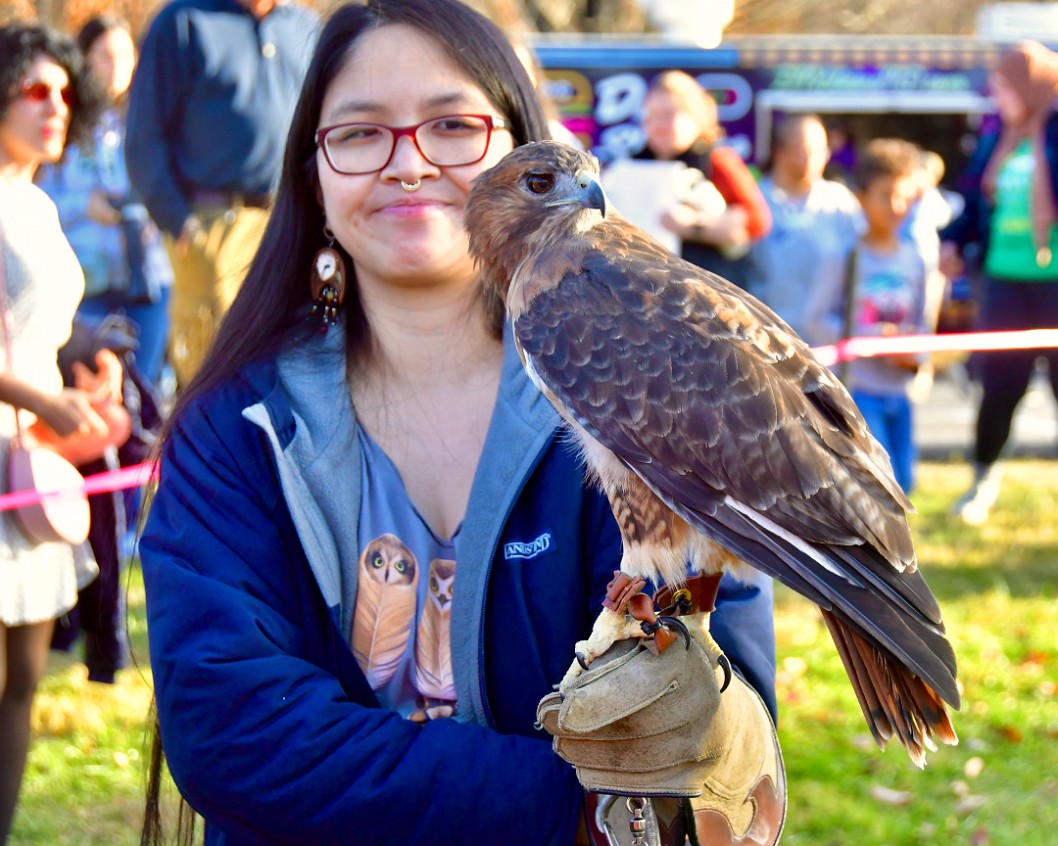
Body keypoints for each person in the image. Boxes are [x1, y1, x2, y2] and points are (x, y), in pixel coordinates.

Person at [138, 2, 779, 844]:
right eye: (361, 134)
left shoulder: (643, 404)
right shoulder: (235, 427)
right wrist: (568, 809)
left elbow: (708, 744)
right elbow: (232, 734)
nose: (408, 165)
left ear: (526, 151)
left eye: (452, 126)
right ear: (314, 178)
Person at [0, 22, 105, 843]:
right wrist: (43, 396)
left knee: (22, 687)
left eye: (65, 91)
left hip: (26, 465)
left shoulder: (36, 202)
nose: (56, 106)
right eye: (37, 89)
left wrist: (80, 382)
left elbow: (42, 328)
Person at [125, 0, 319, 389]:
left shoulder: (306, 28)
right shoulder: (181, 23)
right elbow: (143, 139)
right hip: (210, 227)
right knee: (212, 379)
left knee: (291, 371)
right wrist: (181, 225)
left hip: (293, 223)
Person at [941, 41, 1058, 525]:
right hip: (1004, 281)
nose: (997, 96)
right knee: (999, 386)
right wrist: (952, 240)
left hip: (1054, 284)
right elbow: (973, 199)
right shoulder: (999, 138)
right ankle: (983, 480)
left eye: (1005, 87)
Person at [39, 14, 174, 390]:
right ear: (84, 59)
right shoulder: (61, 121)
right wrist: (87, 208)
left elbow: (176, 192)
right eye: (103, 56)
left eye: (124, 55)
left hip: (148, 280)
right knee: (91, 390)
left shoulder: (157, 122)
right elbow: (39, 200)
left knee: (144, 392)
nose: (115, 67)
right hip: (86, 284)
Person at [805, 139, 929, 493]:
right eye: (885, 195)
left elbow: (920, 322)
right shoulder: (844, 256)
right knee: (875, 484)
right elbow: (817, 320)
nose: (897, 206)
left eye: (905, 196)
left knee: (904, 482)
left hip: (900, 390)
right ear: (861, 197)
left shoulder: (915, 258)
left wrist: (912, 355)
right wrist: (869, 339)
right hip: (858, 391)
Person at [633, 69, 771, 288]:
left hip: (707, 291)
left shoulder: (717, 161)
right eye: (651, 116)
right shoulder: (631, 165)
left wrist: (695, 225)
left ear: (694, 116)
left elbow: (757, 221)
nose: (659, 125)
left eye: (668, 115)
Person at [752, 113, 864, 339]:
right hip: (764, 339)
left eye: (821, 149)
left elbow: (863, 262)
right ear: (778, 151)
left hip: (827, 347)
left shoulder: (840, 203)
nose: (814, 157)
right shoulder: (754, 199)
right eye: (803, 148)